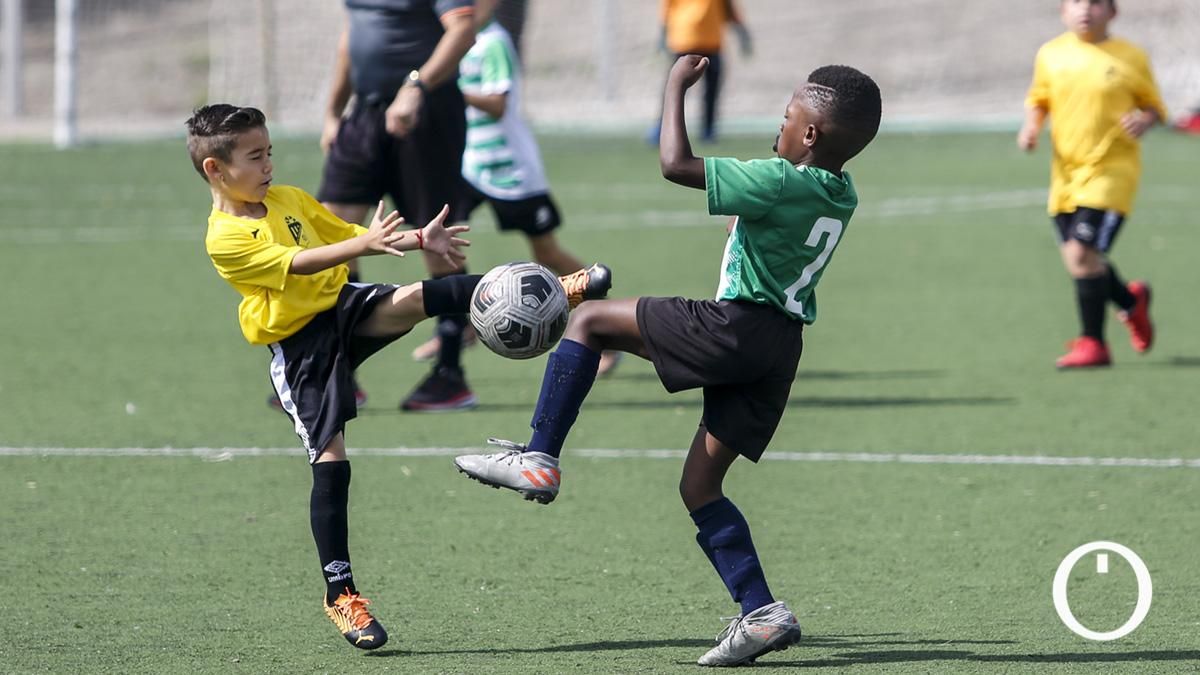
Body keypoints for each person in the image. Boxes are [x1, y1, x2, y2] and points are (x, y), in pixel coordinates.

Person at [454, 56, 882, 667]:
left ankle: (539, 456)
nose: (778, 128)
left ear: (809, 135)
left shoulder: (781, 179)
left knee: (589, 320)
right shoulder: (842, 191)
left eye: (787, 119)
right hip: (779, 350)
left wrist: (675, 85)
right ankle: (761, 612)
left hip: (736, 327)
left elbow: (675, 165)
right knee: (700, 484)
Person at [188, 104, 609, 650]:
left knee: (418, 297)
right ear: (215, 171)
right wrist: (360, 246)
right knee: (331, 457)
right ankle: (341, 594)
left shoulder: (286, 199)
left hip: (341, 306)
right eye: (255, 156)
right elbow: (296, 264)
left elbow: (352, 234)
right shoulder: (223, 237)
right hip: (301, 347)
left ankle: (555, 287)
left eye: (269, 152)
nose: (269, 164)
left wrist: (418, 241)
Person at [411, 0, 621, 375]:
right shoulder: (452, 43)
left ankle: (605, 330)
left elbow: (496, 104)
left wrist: (444, 92)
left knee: (546, 251)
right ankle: (459, 327)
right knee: (442, 240)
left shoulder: (494, 43)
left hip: (512, 170)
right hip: (470, 165)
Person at [317, 0, 479, 411]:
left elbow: (463, 29)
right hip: (366, 110)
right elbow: (353, 37)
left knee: (435, 235)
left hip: (426, 111)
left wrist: (416, 87)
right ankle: (340, 371)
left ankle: (450, 375)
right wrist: (335, 110)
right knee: (331, 227)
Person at [1017, 0, 1166, 368]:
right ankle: (1131, 303)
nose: (1086, 10)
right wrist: (1031, 127)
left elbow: (1155, 108)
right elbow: (1039, 100)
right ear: (1062, 11)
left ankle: (1094, 344)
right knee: (1080, 259)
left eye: (1096, 2)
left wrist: (1144, 120)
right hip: (1066, 175)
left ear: (1112, 12)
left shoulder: (1130, 56)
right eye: (1076, 2)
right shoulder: (1051, 54)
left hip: (1112, 171)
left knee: (1082, 255)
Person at [646, 0, 751, 145]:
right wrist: (663, 35)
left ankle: (707, 129)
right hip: (685, 40)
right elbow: (668, 7)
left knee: (709, 89)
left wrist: (742, 33)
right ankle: (662, 128)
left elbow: (728, 7)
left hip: (709, 42)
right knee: (675, 88)